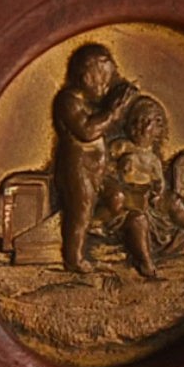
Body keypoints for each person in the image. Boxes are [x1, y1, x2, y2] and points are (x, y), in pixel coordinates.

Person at [94, 93, 184, 279]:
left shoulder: (153, 160)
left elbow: (159, 183)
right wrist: (114, 172)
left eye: (147, 122)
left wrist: (158, 194)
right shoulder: (121, 147)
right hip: (123, 206)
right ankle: (145, 260)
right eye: (135, 121)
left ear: (158, 129)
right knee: (137, 220)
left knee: (173, 200)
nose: (139, 126)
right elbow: (102, 167)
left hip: (147, 201)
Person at [50, 43, 138, 274]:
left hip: (97, 170)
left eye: (108, 83)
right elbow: (87, 131)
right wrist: (111, 112)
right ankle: (73, 258)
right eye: (102, 83)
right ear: (84, 78)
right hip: (77, 171)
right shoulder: (67, 100)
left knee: (117, 197)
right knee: (79, 212)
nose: (106, 88)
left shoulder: (91, 102)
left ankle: (94, 228)